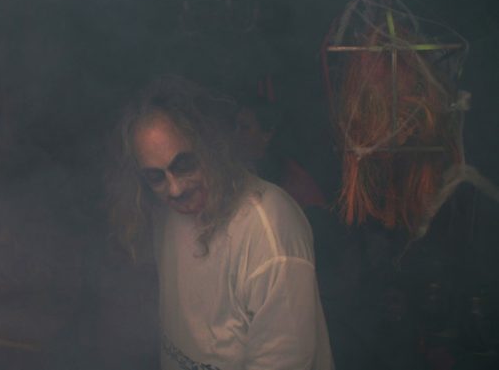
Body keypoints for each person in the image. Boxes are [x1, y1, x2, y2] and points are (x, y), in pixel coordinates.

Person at [108, 77, 333, 370]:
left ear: (211, 146)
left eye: (183, 165)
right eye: (156, 176)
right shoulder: (162, 211)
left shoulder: (268, 225)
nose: (174, 189)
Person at [235, 98, 326, 209]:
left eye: (244, 128)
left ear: (267, 134)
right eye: (236, 127)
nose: (236, 134)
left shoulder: (293, 180)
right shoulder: (238, 171)